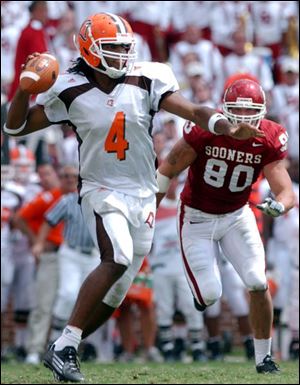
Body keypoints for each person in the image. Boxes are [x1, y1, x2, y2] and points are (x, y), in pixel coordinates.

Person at [4, 12, 264, 382]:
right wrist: (24, 89)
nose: (121, 56)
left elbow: (191, 109)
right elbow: (15, 127)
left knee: (117, 292)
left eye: (125, 49)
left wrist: (223, 124)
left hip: (143, 193)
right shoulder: (69, 87)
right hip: (101, 187)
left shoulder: (147, 78)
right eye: (112, 49)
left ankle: (64, 346)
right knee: (118, 257)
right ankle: (65, 347)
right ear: (90, 51)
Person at [156, 79, 296, 374]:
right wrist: (149, 212)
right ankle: (200, 293)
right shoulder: (207, 128)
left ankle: (263, 357)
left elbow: (286, 192)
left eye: (251, 110)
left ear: (263, 111)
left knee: (257, 282)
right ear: (224, 110)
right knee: (210, 295)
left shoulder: (268, 137)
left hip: (236, 215)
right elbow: (168, 168)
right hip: (196, 217)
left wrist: (278, 205)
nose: (244, 117)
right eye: (237, 110)